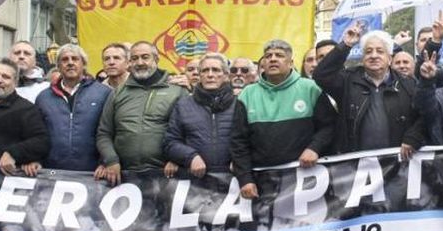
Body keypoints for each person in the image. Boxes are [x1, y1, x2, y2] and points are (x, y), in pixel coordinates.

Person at [231, 40, 337, 199]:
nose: (272, 59)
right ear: (263, 64)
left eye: (279, 55)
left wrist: (315, 147)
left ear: (291, 63)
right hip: (263, 184)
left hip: (306, 180)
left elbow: (329, 126)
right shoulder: (247, 94)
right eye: (268, 56)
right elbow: (238, 140)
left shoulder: (310, 88)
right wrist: (245, 178)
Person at [313, 27, 424, 158]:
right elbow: (321, 75)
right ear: (363, 58)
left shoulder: (408, 84)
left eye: (380, 51)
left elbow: (424, 115)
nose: (374, 56)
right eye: (368, 51)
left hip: (397, 165)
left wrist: (413, 138)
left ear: (389, 58)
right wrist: (346, 45)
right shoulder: (347, 80)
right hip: (356, 166)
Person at [96, 41, 186, 185]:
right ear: (129, 62)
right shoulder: (118, 93)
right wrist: (110, 160)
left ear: (156, 59)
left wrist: (177, 159)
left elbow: (187, 131)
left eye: (145, 57)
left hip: (166, 175)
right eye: (135, 58)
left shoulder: (177, 91)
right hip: (124, 175)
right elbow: (104, 133)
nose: (140, 62)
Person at [36, 44, 112, 172]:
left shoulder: (104, 93)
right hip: (52, 171)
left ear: (84, 64)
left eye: (75, 59)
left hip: (93, 172)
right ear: (58, 66)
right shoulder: (44, 97)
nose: (70, 63)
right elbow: (37, 134)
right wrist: (35, 160)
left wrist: (106, 162)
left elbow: (111, 131)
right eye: (65, 60)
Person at [164, 53, 238, 178]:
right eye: (205, 70)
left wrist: (240, 159)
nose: (210, 75)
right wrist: (190, 157)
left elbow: (252, 138)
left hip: (233, 180)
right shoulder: (183, 105)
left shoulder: (239, 103)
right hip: (196, 182)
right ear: (200, 75)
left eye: (215, 70)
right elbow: (170, 142)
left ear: (226, 75)